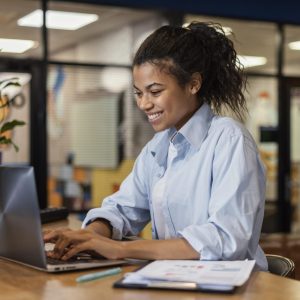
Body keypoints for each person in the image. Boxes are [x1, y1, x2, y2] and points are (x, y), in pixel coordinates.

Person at [44, 21, 268, 271]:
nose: (144, 104)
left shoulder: (229, 140)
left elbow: (225, 239)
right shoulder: (158, 146)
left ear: (194, 84)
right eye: (139, 93)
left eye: (155, 91)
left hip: (235, 287)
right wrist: (92, 235)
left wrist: (120, 249)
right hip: (175, 278)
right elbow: (123, 208)